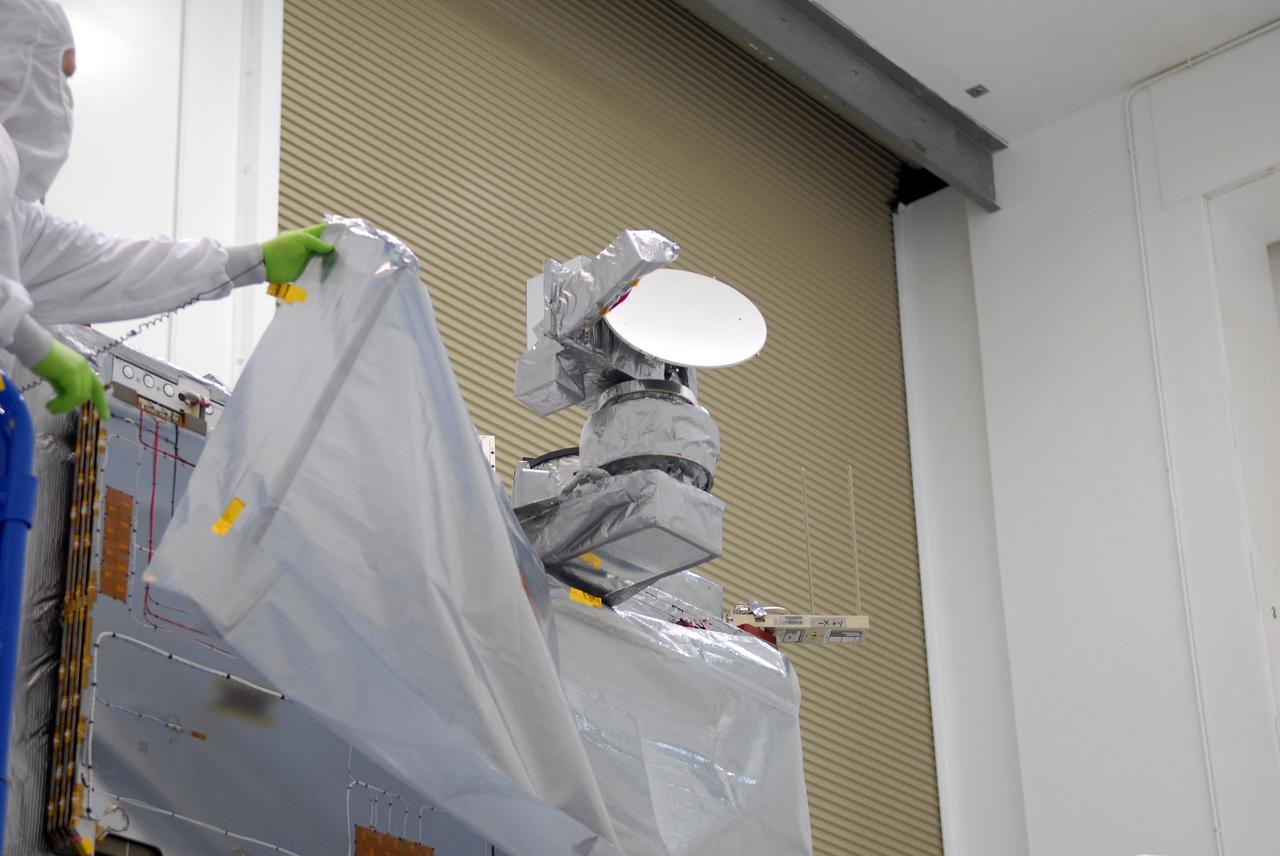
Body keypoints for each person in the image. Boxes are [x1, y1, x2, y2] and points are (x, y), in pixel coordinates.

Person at [0, 0, 333, 419]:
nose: (64, 99)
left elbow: (117, 266)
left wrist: (254, 260)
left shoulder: (17, 218)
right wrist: (39, 348)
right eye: (60, 74)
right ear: (13, 58)